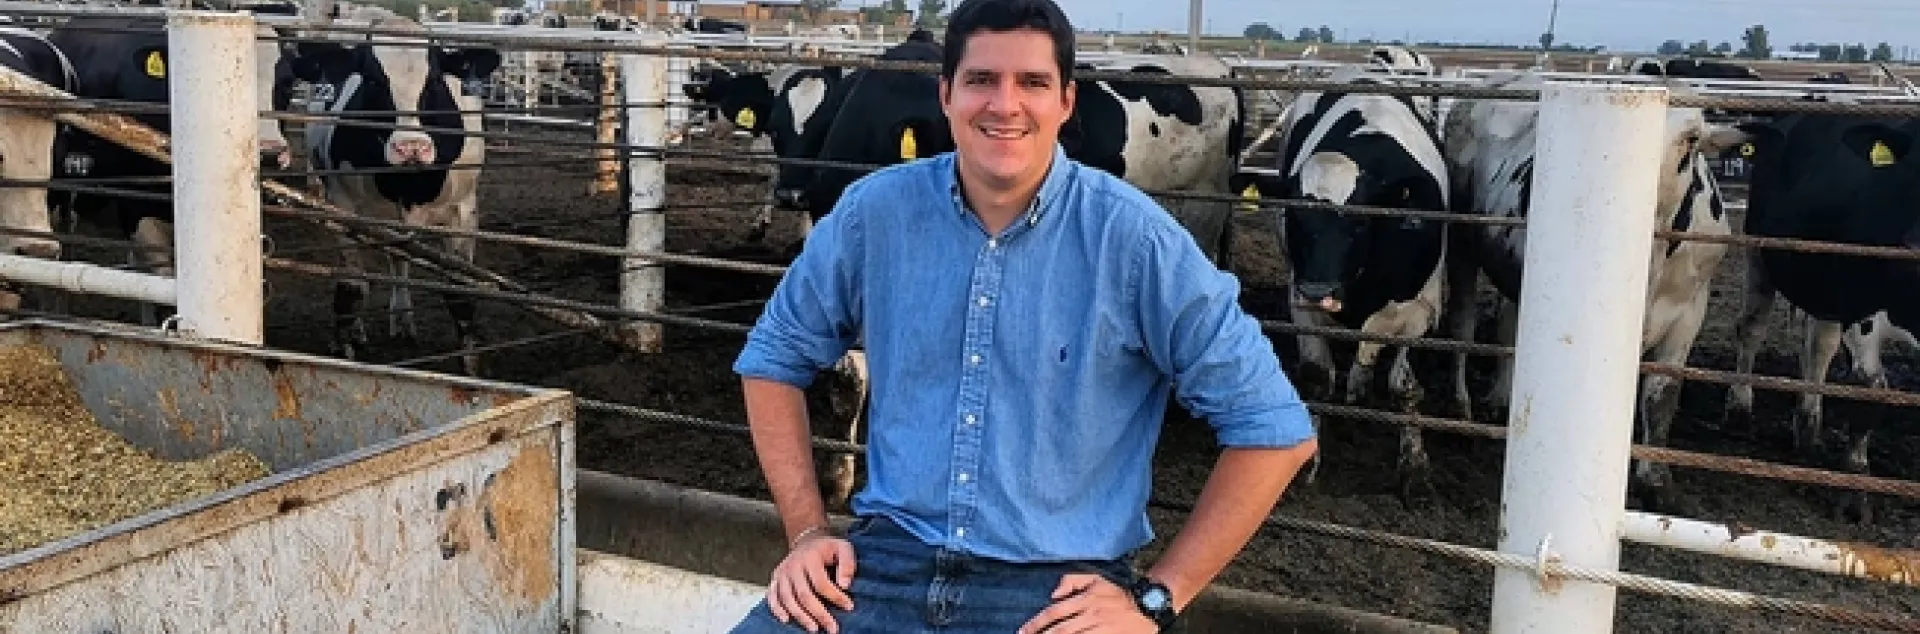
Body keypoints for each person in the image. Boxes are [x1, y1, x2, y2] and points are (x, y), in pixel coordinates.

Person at [727, 0, 1320, 631]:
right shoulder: (873, 213)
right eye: (981, 80)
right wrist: (806, 534)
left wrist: (1156, 600)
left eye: (1032, 83)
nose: (1004, 105)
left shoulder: (1137, 242)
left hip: (1056, 595)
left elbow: (1275, 429)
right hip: (880, 571)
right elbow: (772, 358)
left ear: (1066, 102)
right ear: (946, 94)